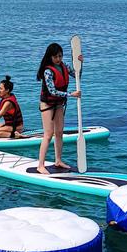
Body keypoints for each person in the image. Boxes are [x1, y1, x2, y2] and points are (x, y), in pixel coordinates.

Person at [35, 42, 82, 175]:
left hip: (59, 105)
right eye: (55, 57)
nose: (58, 59)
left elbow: (77, 74)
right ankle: (40, 165)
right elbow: (52, 91)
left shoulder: (64, 65)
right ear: (50, 57)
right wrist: (71, 94)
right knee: (48, 135)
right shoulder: (48, 71)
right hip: (47, 106)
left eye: (60, 56)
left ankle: (58, 160)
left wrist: (80, 64)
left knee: (59, 133)